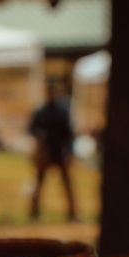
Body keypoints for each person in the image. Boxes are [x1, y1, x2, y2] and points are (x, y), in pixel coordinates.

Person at [29, 81, 78, 221]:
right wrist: (39, 135)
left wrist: (69, 152)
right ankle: (34, 212)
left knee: (67, 185)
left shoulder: (63, 112)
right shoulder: (40, 112)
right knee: (39, 183)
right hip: (46, 152)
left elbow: (69, 133)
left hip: (60, 152)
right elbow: (32, 128)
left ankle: (72, 213)